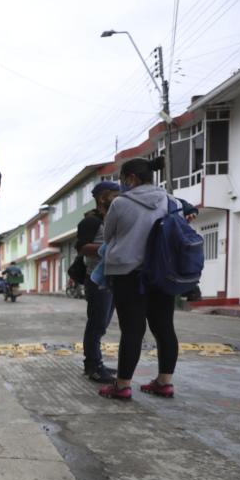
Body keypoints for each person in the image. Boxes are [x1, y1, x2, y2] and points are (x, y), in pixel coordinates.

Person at [99, 156, 179, 400]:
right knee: (164, 327)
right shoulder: (170, 200)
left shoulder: (120, 204)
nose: (121, 184)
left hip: (128, 274)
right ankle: (164, 383)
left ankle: (122, 386)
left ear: (131, 178)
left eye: (122, 179)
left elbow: (108, 236)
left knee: (132, 330)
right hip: (162, 274)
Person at [76, 181, 119, 383]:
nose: (119, 197)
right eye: (114, 194)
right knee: (97, 324)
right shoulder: (91, 221)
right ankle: (93, 365)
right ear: (102, 198)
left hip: (112, 279)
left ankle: (95, 362)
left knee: (102, 325)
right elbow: (82, 247)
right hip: (96, 279)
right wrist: (109, 249)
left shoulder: (113, 218)